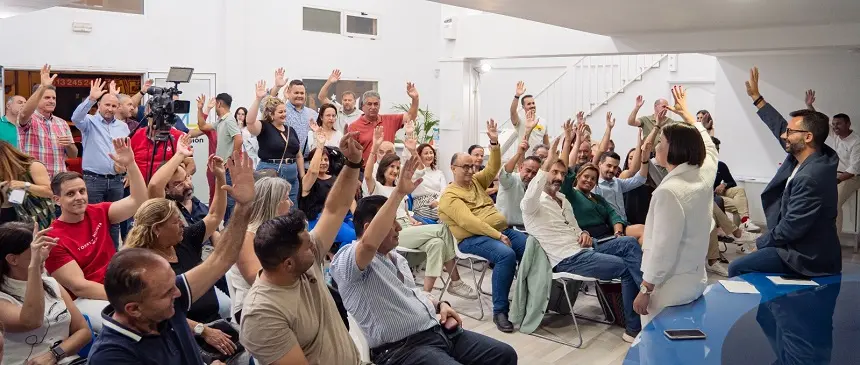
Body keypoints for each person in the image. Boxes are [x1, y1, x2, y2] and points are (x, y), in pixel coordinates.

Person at [332, 156, 518, 365]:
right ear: (369, 228)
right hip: (402, 349)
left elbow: (414, 294)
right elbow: (367, 245)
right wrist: (399, 193)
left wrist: (440, 305)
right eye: (392, 223)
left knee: (505, 354)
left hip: (437, 332)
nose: (399, 228)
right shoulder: (349, 259)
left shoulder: (397, 260)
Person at [88, 150, 255, 365]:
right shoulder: (112, 356)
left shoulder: (163, 301)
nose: (179, 293)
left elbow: (221, 258)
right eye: (168, 291)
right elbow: (155, 186)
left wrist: (243, 206)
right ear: (134, 309)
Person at [238, 133, 364, 364]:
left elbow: (335, 209)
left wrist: (353, 162)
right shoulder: (263, 313)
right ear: (288, 263)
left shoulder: (299, 254)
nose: (316, 248)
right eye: (286, 198)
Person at [521, 138, 644, 342]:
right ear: (544, 174)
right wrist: (549, 159)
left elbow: (576, 228)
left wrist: (584, 233)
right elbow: (536, 186)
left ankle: (647, 295)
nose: (559, 177)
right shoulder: (531, 204)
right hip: (568, 258)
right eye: (554, 172)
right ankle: (635, 326)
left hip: (586, 247)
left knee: (629, 243)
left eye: (562, 173)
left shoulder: (563, 200)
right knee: (625, 267)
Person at [728, 67, 841, 277]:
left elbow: (791, 228)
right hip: (798, 241)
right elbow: (778, 125)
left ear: (807, 137)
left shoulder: (810, 177)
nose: (784, 135)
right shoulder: (812, 153)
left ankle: (766, 308)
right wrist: (757, 98)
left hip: (806, 255)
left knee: (737, 267)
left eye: (790, 132)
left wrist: (758, 243)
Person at [632, 86, 719, 324]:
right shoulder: (703, 174)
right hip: (694, 280)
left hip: (667, 290)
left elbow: (663, 249)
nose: (657, 146)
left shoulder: (669, 192)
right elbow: (709, 148)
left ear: (673, 149)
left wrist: (646, 289)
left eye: (661, 141)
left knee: (657, 353)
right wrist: (688, 116)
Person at [44, 138, 148, 332]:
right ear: (57, 200)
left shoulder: (99, 211)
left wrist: (131, 165)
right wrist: (125, 297)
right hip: (85, 300)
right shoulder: (53, 238)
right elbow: (80, 287)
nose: (79, 197)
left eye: (82, 191)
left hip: (117, 283)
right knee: (133, 322)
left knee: (162, 303)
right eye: (70, 194)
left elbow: (139, 201)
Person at [439, 119, 528, 332]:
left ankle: (529, 299)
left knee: (532, 246)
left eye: (472, 165)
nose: (471, 170)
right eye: (466, 166)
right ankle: (500, 311)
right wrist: (497, 236)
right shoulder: (450, 196)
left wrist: (495, 143)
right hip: (472, 239)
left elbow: (493, 166)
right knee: (505, 255)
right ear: (453, 168)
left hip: (501, 231)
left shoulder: (476, 181)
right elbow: (470, 222)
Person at [366, 128, 477, 297]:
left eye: (397, 167)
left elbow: (419, 171)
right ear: (382, 169)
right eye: (391, 167)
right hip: (390, 232)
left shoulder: (399, 188)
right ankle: (456, 281)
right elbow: (367, 175)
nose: (395, 171)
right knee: (444, 229)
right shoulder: (377, 188)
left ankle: (426, 293)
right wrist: (374, 147)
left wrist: (412, 150)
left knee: (437, 244)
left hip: (408, 227)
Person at [0, 222, 92, 365]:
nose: (44, 253)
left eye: (42, 246)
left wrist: (54, 355)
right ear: (12, 259)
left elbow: (84, 331)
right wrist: (35, 266)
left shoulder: (51, 284)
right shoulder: (2, 296)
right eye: (35, 249)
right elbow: (32, 321)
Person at [71, 79, 131, 247]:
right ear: (99, 105)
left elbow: (126, 152)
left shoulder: (123, 127)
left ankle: (112, 257)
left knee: (114, 221)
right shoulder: (89, 122)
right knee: (93, 220)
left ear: (118, 108)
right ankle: (95, 254)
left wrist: (128, 171)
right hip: (93, 180)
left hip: (116, 181)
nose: (110, 109)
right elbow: (75, 117)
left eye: (114, 106)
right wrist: (90, 98)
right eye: (107, 105)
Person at [225, 176, 292, 322]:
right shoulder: (247, 236)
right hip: (252, 305)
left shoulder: (279, 231)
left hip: (276, 296)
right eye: (287, 199)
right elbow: (255, 279)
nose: (291, 203)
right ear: (274, 202)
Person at [805, 91, 860, 236]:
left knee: (834, 203)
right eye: (834, 124)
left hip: (851, 177)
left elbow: (853, 169)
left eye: (839, 124)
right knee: (814, 197)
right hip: (834, 174)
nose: (835, 127)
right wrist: (810, 105)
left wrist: (835, 180)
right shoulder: (835, 135)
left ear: (848, 124)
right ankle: (816, 233)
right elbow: (819, 122)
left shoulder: (856, 142)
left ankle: (834, 239)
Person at [246, 80, 305, 207]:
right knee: (270, 208)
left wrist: (302, 177)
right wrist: (257, 99)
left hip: (292, 176)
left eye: (285, 111)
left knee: (291, 209)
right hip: (271, 173)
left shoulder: (290, 130)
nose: (284, 114)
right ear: (271, 115)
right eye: (280, 112)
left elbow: (298, 155)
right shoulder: (264, 127)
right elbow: (250, 122)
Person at [17, 64, 78, 178]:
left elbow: (73, 155)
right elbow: (24, 113)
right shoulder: (29, 119)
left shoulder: (62, 123)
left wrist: (69, 145)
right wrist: (43, 87)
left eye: (53, 98)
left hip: (58, 181)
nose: (51, 101)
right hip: (34, 180)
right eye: (46, 97)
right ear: (37, 99)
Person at [301, 133, 356, 247]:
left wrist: (356, 216)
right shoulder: (308, 180)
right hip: (319, 219)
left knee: (360, 232)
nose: (323, 162)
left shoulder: (335, 179)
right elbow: (313, 171)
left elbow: (349, 198)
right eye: (320, 159)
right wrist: (320, 146)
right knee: (352, 236)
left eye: (326, 159)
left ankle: (336, 256)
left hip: (340, 217)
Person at [348, 84, 419, 163]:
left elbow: (410, 117)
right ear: (363, 106)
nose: (373, 107)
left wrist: (415, 99)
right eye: (369, 104)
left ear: (379, 105)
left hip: (389, 170)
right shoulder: (354, 127)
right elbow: (351, 154)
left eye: (376, 104)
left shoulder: (390, 120)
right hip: (365, 171)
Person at [591, 147, 650, 243]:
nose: (611, 170)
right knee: (644, 231)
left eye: (615, 167)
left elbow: (640, 179)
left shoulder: (617, 182)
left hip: (625, 224)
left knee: (648, 232)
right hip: (610, 228)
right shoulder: (594, 186)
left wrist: (644, 161)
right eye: (609, 166)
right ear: (600, 164)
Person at [496, 111, 541, 230]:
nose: (530, 175)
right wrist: (519, 153)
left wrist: (528, 131)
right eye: (528, 170)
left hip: (528, 228)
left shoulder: (534, 185)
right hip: (507, 229)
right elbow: (506, 172)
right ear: (520, 167)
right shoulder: (511, 181)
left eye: (534, 173)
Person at [711, 137, 761, 232]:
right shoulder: (699, 166)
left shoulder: (720, 165)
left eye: (718, 149)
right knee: (738, 207)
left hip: (717, 193)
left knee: (740, 190)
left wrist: (724, 184)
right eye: (714, 149)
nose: (716, 151)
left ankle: (745, 222)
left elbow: (732, 182)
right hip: (709, 197)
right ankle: (736, 233)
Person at [0, 141, 53, 228]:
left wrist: (26, 185)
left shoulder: (33, 166)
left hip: (44, 219)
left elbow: (50, 192)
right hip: (19, 224)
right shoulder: (2, 176)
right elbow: (8, 207)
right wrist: (3, 196)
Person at [269, 68, 318, 152]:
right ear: (288, 93)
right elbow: (269, 105)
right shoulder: (282, 111)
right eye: (296, 93)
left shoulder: (313, 114)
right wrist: (277, 87)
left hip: (306, 161)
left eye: (302, 93)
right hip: (285, 161)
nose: (299, 95)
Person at [510, 81, 550, 154]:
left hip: (538, 160)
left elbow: (546, 144)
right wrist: (517, 95)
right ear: (523, 107)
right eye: (529, 104)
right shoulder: (519, 120)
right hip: (523, 158)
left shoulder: (542, 121)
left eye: (533, 103)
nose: (532, 105)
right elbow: (512, 112)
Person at [411, 143, 447, 224]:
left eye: (431, 153)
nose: (429, 155)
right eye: (426, 153)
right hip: (421, 205)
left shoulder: (439, 173)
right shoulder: (416, 172)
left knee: (452, 210)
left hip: (439, 203)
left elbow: (444, 190)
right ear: (419, 156)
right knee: (448, 214)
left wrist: (437, 201)